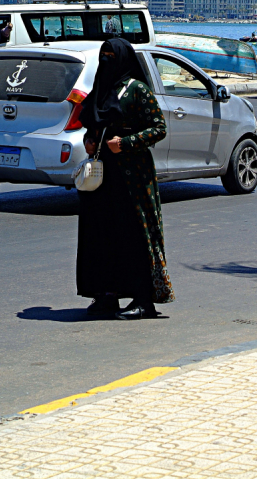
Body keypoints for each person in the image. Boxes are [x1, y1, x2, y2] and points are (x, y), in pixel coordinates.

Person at [76, 38, 175, 320]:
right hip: (103, 176)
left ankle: (144, 300)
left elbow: (159, 128)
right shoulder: (102, 88)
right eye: (103, 54)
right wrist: (90, 139)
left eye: (112, 55)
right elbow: (92, 122)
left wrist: (127, 142)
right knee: (103, 235)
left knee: (134, 236)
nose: (106, 59)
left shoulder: (137, 90)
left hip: (133, 178)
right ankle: (106, 295)